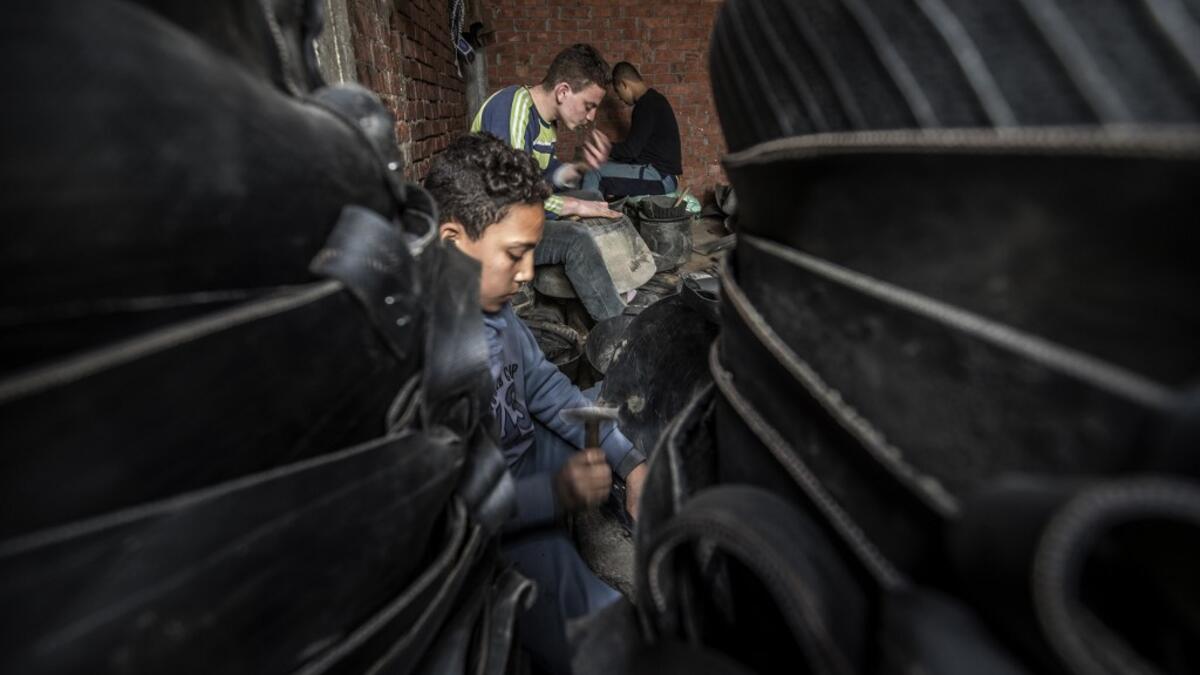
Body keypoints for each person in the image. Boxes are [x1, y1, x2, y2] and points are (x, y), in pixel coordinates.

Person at [424, 132, 649, 675]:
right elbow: (453, 516)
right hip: (496, 517)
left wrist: (629, 463)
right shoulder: (429, 354)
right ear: (453, 240)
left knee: (619, 412)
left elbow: (546, 388)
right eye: (515, 254)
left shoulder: (496, 312)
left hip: (526, 460)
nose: (527, 273)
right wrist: (557, 493)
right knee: (609, 634)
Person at [471, 43, 632, 321]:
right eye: (589, 105)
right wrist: (571, 206)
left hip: (517, 220)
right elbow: (511, 197)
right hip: (491, 230)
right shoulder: (513, 107)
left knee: (592, 196)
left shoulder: (548, 124)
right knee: (576, 239)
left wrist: (580, 168)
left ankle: (609, 280)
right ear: (563, 91)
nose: (591, 116)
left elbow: (543, 176)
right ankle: (618, 328)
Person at [582, 61, 682, 197]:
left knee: (594, 171)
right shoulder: (654, 100)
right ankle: (599, 210)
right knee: (603, 165)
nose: (620, 98)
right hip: (660, 175)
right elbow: (636, 152)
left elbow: (630, 151)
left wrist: (603, 147)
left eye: (618, 92)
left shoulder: (645, 105)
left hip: (661, 177)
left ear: (624, 85)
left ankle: (589, 215)